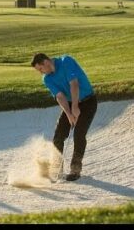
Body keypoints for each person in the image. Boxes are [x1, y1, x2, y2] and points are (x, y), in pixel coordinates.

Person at [31, 53, 97, 181]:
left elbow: (74, 84)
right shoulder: (47, 78)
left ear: (46, 62)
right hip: (70, 103)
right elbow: (60, 96)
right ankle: (56, 169)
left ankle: (75, 169)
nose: (41, 72)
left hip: (88, 102)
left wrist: (75, 107)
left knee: (79, 134)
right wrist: (68, 114)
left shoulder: (66, 61)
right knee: (58, 135)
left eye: (40, 69)